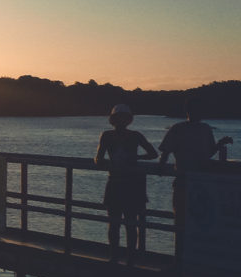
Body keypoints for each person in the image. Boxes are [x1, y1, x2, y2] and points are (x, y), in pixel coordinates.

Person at [95, 104, 158, 263]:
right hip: (127, 183)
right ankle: (121, 256)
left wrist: (134, 159)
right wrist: (136, 159)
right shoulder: (131, 136)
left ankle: (121, 257)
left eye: (123, 118)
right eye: (119, 118)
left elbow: (98, 160)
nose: (121, 121)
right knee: (122, 223)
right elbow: (152, 154)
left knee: (123, 223)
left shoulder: (110, 135)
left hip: (123, 183)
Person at [157, 98, 233, 228]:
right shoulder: (178, 128)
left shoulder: (205, 129)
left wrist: (220, 143)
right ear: (188, 111)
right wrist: (161, 167)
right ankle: (181, 247)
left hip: (201, 183)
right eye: (194, 109)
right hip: (184, 181)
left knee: (198, 222)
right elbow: (165, 153)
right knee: (182, 221)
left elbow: (207, 153)